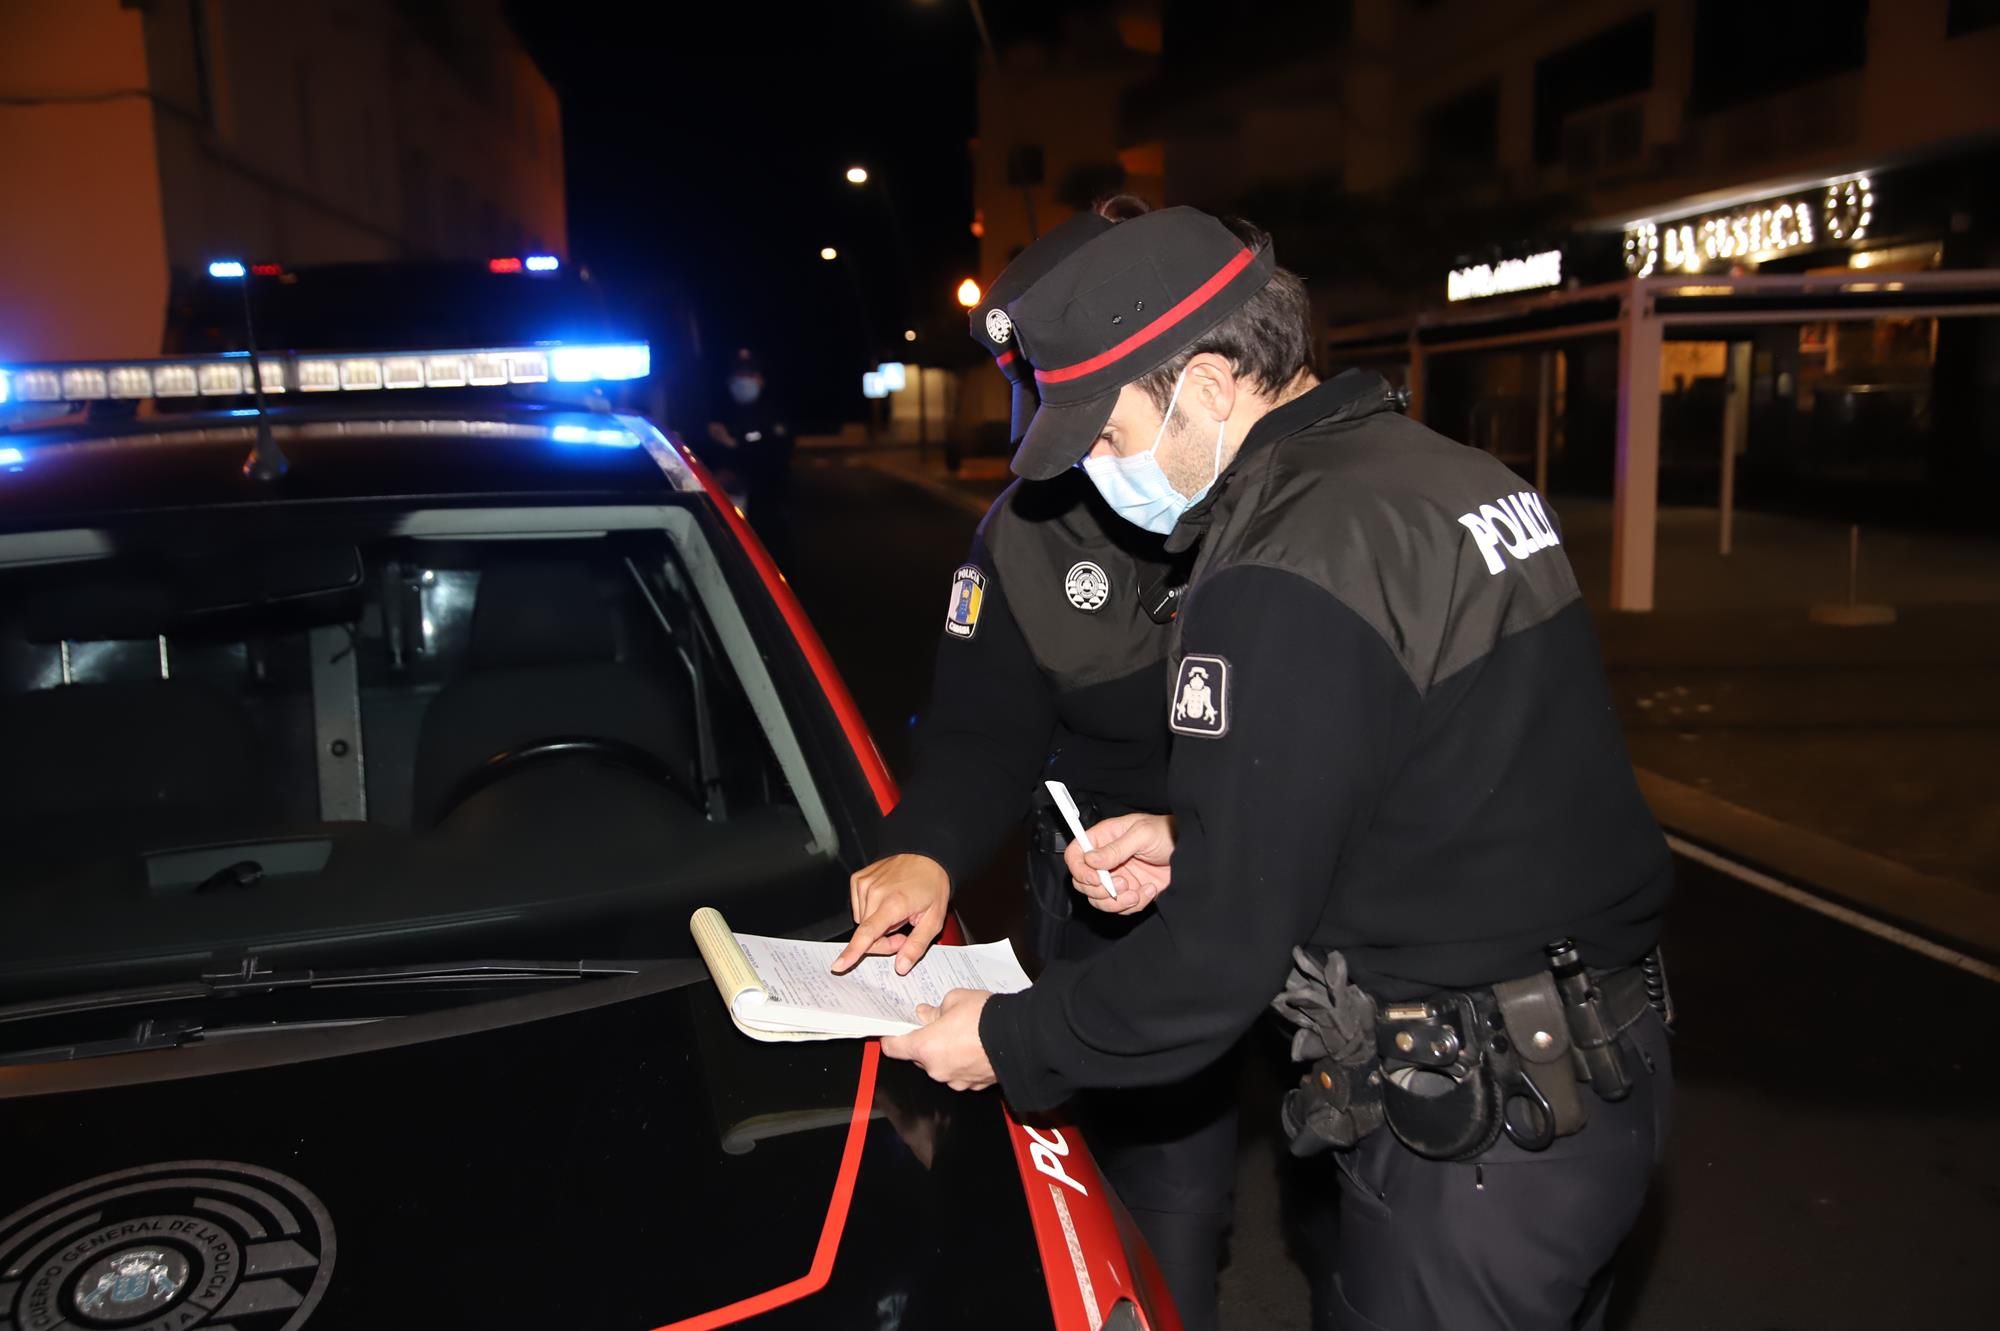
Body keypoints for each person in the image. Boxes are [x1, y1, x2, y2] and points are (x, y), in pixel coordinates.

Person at [879, 206, 1675, 1330]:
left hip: (1476, 1126)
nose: (1098, 476)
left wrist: (1005, 1038)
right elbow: (1443, 778)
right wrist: (1196, 835)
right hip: (1597, 1073)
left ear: (1204, 383)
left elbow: (1212, 964)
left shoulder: (1277, 563)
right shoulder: (1441, 476)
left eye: (1104, 437)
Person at [833, 203, 1242, 1331]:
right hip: (1117, 908)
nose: (1069, 443)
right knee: (1146, 1208)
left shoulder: (1279, 507)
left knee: (1343, 1208)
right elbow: (978, 727)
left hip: (1295, 889)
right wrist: (921, 851)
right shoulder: (1028, 532)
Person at [705, 350, 796, 564]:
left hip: (766, 515)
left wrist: (733, 446)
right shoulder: (718, 414)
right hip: (724, 515)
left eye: (750, 374)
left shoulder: (773, 415)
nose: (744, 380)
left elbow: (777, 459)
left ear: (760, 379)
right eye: (739, 374)